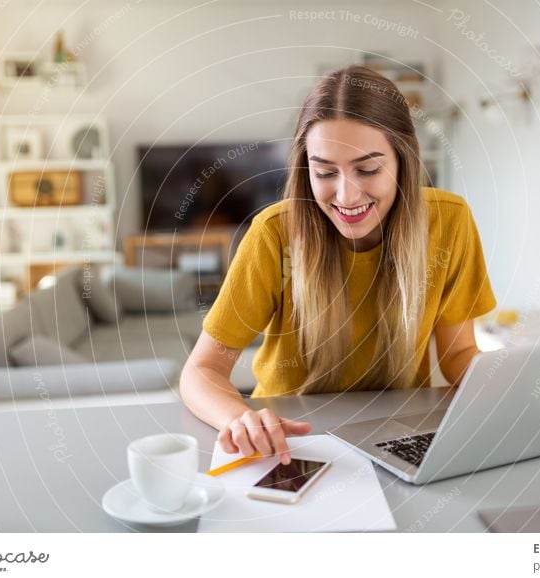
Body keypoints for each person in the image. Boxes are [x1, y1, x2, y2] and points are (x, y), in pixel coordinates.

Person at [180, 65, 496, 466]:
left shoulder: (450, 222)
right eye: (325, 171)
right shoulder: (273, 234)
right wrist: (240, 417)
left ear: (404, 160)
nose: (346, 195)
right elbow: (201, 370)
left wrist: (500, 392)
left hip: (399, 435)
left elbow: (458, 351)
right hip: (289, 445)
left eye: (367, 169)